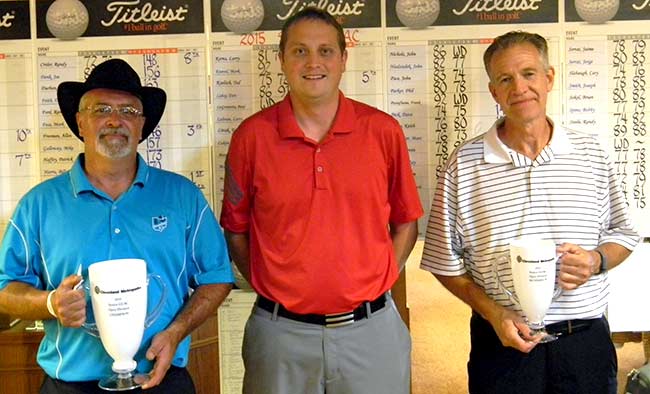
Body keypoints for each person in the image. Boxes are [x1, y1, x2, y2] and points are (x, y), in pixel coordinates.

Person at [421, 30, 640, 394]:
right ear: (494, 91)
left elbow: (624, 233)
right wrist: (493, 312)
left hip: (585, 342)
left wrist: (596, 260)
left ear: (549, 77)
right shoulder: (464, 165)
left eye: (528, 73)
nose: (519, 87)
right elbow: (444, 262)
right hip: (503, 344)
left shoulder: (591, 154)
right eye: (505, 79)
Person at [220, 7, 423, 394]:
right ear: (281, 60)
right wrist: (277, 285)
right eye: (299, 51)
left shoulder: (383, 132)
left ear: (344, 59)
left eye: (326, 51)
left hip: (371, 333)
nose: (313, 62)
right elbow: (236, 231)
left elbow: (406, 222)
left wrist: (376, 279)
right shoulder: (251, 138)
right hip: (280, 337)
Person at [0, 59, 234, 394]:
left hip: (162, 379)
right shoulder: (39, 204)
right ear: (80, 122)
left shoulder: (183, 197)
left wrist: (177, 331)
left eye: (128, 110)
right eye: (101, 109)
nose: (115, 120)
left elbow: (216, 277)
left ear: (142, 126)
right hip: (71, 385)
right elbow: (5, 288)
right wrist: (49, 304)